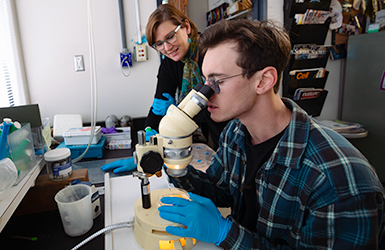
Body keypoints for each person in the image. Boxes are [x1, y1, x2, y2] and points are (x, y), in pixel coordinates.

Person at [157, 18, 385, 249]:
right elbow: (222, 190)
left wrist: (224, 233)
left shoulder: (337, 181)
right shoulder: (235, 134)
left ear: (264, 81)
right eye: (205, 80)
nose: (205, 95)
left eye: (217, 81)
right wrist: (177, 165)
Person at [101, 4, 228, 173]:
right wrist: (145, 146)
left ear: (186, 27)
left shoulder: (213, 52)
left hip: (236, 126)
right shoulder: (170, 63)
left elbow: (223, 105)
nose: (167, 48)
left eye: (170, 37)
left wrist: (177, 109)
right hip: (213, 133)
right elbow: (158, 106)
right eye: (159, 44)